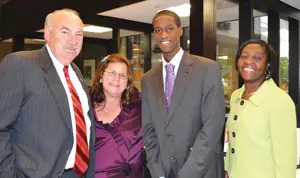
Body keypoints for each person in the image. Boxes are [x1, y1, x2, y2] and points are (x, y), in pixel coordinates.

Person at [0, 9, 95, 177]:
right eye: (65, 31)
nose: (74, 41)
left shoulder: (76, 72)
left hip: (76, 173)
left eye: (79, 34)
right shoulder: (20, 64)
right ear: (48, 33)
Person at [141, 10, 225, 178]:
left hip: (200, 171)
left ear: (180, 30)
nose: (163, 34)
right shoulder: (148, 79)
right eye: (158, 30)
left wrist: (188, 174)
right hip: (163, 172)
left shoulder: (207, 68)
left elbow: (213, 126)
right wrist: (157, 171)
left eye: (169, 28)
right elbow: (148, 130)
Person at [224, 39, 297, 178]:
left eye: (257, 58)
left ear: (267, 65)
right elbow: (235, 142)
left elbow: (285, 159)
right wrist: (227, 168)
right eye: (244, 56)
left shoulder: (279, 101)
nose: (248, 61)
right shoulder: (236, 96)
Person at [89, 54, 144, 178]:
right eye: (112, 73)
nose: (116, 79)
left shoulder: (139, 108)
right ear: (101, 77)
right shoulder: (85, 111)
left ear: (128, 83)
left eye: (122, 75)